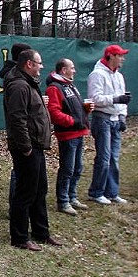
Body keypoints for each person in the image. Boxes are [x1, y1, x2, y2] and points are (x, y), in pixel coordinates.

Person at [3, 49, 62, 251]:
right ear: (29, 64)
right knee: (25, 192)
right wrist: (26, 147)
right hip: (27, 148)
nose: (41, 66)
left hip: (36, 145)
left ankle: (40, 232)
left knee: (39, 190)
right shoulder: (19, 86)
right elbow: (17, 119)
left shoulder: (28, 83)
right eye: (39, 62)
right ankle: (19, 237)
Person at [46, 58, 92, 216]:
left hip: (79, 132)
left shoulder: (69, 85)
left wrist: (85, 111)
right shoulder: (54, 88)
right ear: (63, 70)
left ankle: (72, 197)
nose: (74, 71)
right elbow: (54, 113)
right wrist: (72, 121)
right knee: (67, 168)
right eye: (72, 68)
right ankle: (63, 201)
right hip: (67, 134)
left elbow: (74, 107)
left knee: (78, 167)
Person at [87, 44, 132, 205]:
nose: (122, 59)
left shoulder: (119, 76)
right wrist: (115, 99)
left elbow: (124, 99)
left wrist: (122, 116)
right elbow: (95, 99)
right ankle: (96, 191)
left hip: (115, 119)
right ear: (111, 56)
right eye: (120, 55)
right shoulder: (97, 74)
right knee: (104, 158)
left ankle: (112, 192)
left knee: (114, 157)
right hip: (102, 118)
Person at [0, 42, 32, 216]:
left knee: (20, 170)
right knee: (19, 171)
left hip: (22, 130)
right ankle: (16, 208)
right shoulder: (15, 78)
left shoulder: (16, 75)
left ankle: (19, 206)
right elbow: (18, 113)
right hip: (19, 132)